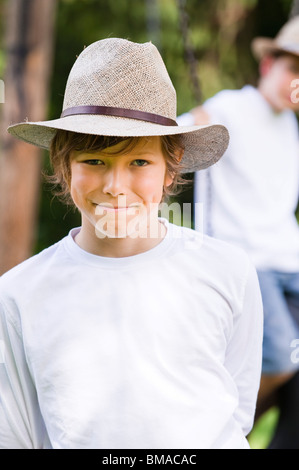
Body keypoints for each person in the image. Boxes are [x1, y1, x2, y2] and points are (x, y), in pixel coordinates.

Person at [0, 38, 263, 449]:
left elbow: (236, 409)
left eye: (139, 162)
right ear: (64, 166)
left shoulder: (227, 270)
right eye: (94, 161)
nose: (116, 187)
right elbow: (16, 433)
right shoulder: (19, 294)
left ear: (169, 168)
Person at [178, 16, 299, 447]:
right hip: (248, 258)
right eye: (292, 69)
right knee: (281, 360)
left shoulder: (290, 125)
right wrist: (193, 124)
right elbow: (174, 135)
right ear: (268, 65)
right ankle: (221, 430)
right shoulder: (231, 107)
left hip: (290, 258)